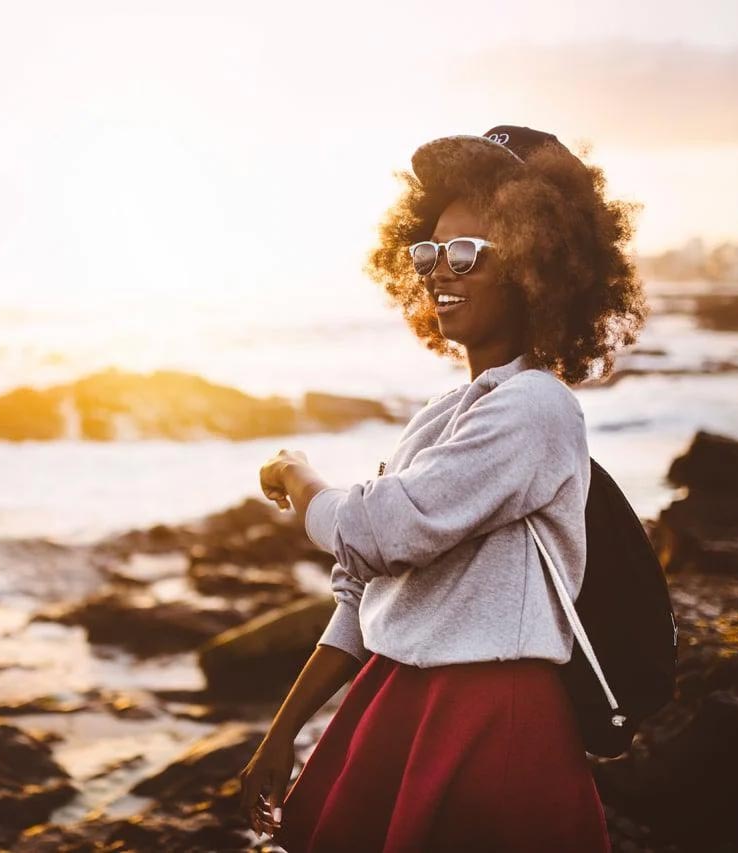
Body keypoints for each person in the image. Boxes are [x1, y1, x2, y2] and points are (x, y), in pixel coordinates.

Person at [239, 125, 648, 852]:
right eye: (428, 252)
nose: (437, 271)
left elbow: (386, 528)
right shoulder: (445, 415)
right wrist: (283, 732)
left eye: (466, 254)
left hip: (493, 718)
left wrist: (298, 477)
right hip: (402, 697)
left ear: (532, 264)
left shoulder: (537, 407)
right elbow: (359, 588)